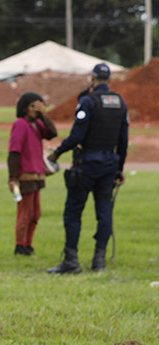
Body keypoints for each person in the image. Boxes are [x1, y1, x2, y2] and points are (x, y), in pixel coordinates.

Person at [46, 63, 129, 274]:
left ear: (92, 78)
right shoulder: (120, 102)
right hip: (110, 163)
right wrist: (119, 168)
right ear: (109, 79)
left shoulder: (88, 101)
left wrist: (57, 153)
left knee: (73, 212)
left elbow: (77, 136)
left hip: (87, 164)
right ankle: (99, 260)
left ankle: (71, 261)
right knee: (104, 211)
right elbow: (123, 140)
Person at [8, 92, 57, 256]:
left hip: (38, 175)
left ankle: (28, 244)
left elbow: (52, 133)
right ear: (24, 107)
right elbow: (14, 151)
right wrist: (13, 178)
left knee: (36, 213)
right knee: (25, 213)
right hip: (25, 175)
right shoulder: (20, 124)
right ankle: (20, 245)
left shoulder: (37, 125)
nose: (36, 110)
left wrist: (44, 115)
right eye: (33, 106)